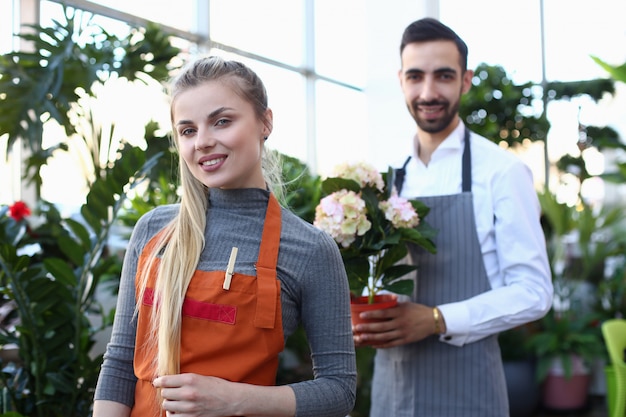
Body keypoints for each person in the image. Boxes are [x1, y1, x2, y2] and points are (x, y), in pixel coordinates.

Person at [93, 56, 356, 417]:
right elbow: (121, 363)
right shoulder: (153, 232)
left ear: (265, 122)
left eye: (222, 121)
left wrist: (236, 399)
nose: (203, 141)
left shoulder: (309, 249)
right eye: (188, 130)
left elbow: (339, 390)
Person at [351, 17, 554, 416]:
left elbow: (534, 292)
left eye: (443, 76)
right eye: (415, 76)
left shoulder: (502, 172)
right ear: (400, 80)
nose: (428, 92)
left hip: (470, 384)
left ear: (465, 81)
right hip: (394, 388)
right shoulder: (386, 176)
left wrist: (437, 319)